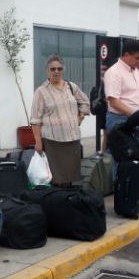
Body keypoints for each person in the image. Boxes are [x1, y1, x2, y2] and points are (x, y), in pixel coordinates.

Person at [103, 38, 139, 210]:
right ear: (126, 55)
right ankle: (124, 200)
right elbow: (114, 101)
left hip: (138, 121)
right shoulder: (113, 73)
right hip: (120, 122)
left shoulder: (137, 71)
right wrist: (137, 115)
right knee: (122, 162)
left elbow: (135, 95)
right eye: (137, 58)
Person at [30, 55, 91, 187]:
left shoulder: (71, 87)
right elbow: (35, 120)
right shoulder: (41, 92)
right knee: (55, 178)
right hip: (53, 142)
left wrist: (79, 118)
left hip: (72, 140)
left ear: (63, 69)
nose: (56, 71)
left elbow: (85, 102)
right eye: (53, 69)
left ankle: (67, 202)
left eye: (59, 68)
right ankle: (56, 203)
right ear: (47, 71)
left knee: (71, 178)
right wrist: (38, 143)